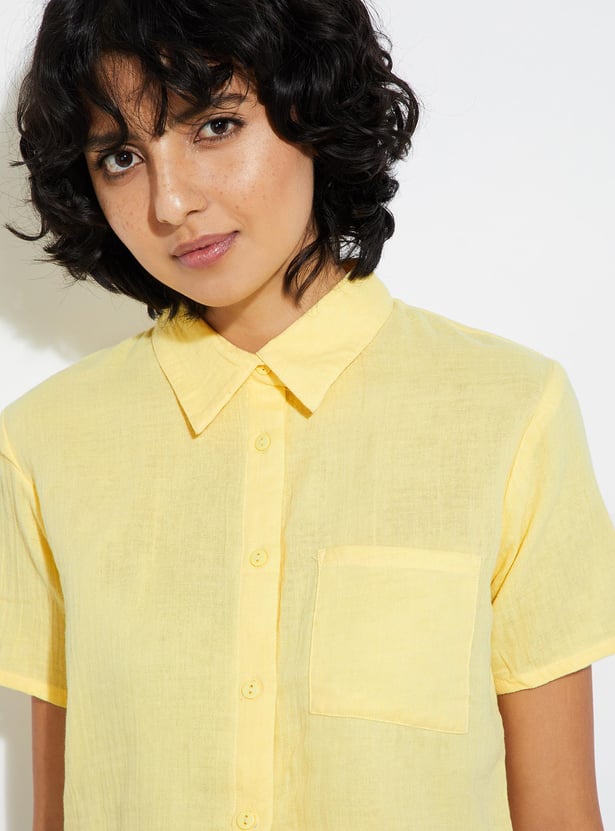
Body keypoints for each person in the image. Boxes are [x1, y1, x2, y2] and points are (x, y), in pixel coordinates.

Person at [1, 0, 614, 829]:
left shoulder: (508, 412)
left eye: (215, 125)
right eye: (120, 156)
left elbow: (560, 811)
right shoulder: (46, 444)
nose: (170, 202)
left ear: (313, 105)